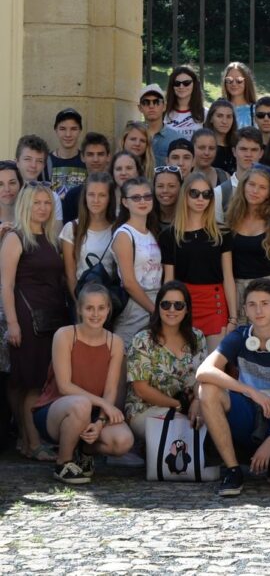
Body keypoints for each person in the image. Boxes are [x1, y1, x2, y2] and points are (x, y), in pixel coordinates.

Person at [197, 278, 270, 497]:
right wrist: (250, 391)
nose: (259, 310)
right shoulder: (239, 337)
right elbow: (203, 371)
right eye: (252, 304)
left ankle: (269, 459)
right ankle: (233, 470)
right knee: (207, 389)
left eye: (265, 304)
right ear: (245, 309)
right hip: (249, 410)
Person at [31, 283, 133, 483]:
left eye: (101, 308)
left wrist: (100, 421)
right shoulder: (65, 335)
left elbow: (111, 389)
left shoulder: (115, 342)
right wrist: (104, 404)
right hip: (57, 410)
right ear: (79, 309)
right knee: (81, 404)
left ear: (108, 309)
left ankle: (84, 451)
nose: (95, 314)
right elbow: (64, 386)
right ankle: (63, 463)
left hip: (92, 413)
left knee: (123, 441)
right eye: (89, 308)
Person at [2, 183, 68, 461]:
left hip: (51, 317)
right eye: (37, 202)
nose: (43, 208)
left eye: (47, 203)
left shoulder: (50, 237)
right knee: (31, 383)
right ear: (26, 205)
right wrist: (13, 324)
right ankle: (33, 443)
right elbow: (6, 285)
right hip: (28, 319)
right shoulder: (16, 238)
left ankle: (26, 441)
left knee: (32, 382)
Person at [160, 172, 236, 351]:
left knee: (213, 367)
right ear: (185, 195)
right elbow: (169, 280)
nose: (200, 198)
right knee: (184, 366)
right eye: (194, 193)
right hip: (182, 304)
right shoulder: (169, 235)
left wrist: (233, 317)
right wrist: (167, 310)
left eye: (206, 194)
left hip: (213, 303)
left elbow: (228, 276)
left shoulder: (221, 233)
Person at [125, 281, 208, 441]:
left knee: (214, 410)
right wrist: (177, 405)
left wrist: (197, 401)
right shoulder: (142, 340)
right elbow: (141, 390)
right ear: (158, 308)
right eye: (165, 305)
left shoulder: (197, 337)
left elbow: (201, 378)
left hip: (187, 406)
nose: (171, 310)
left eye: (178, 305)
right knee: (183, 432)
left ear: (187, 309)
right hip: (146, 408)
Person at [225, 165, 270, 317]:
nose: (255, 191)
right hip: (237, 292)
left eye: (262, 187)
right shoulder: (231, 220)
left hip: (267, 293)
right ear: (243, 186)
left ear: (269, 193)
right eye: (252, 184)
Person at [111, 176, 164, 349]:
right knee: (128, 358)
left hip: (156, 300)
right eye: (136, 197)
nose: (142, 201)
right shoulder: (124, 234)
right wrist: (155, 311)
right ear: (125, 202)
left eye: (147, 196)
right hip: (135, 305)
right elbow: (128, 282)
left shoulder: (152, 231)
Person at [60, 172, 116, 297]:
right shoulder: (72, 228)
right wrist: (79, 306)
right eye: (91, 194)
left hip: (112, 299)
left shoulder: (118, 229)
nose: (95, 200)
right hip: (83, 299)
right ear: (84, 196)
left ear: (109, 198)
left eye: (102, 195)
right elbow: (70, 275)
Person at [214, 126, 266, 219]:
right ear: (234, 151)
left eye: (254, 150)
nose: (248, 155)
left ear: (261, 153)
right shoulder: (220, 193)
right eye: (243, 149)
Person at [59, 132, 112, 223]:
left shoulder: (116, 192)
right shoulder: (72, 196)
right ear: (82, 157)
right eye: (90, 154)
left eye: (100, 154)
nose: (95, 159)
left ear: (108, 157)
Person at [45, 107, 85, 196]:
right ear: (56, 130)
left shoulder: (87, 161)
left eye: (73, 129)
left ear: (80, 131)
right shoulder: (46, 162)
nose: (68, 134)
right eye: (63, 129)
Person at [201, 101, 238, 174]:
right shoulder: (202, 147)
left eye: (229, 117)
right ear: (211, 118)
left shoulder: (237, 146)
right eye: (220, 116)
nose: (224, 121)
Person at [221, 63, 257, 128]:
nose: (234, 84)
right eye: (229, 80)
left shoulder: (257, 111)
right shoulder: (218, 109)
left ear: (247, 82)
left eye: (239, 80)